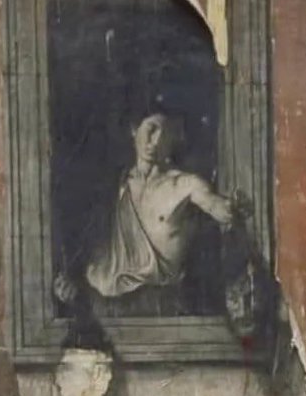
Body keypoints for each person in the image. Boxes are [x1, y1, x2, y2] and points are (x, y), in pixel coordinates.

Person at [83, 112, 243, 303]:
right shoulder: (115, 185)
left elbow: (213, 204)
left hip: (163, 302)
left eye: (165, 134)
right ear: (134, 130)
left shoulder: (185, 184)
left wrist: (229, 208)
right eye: (151, 130)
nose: (157, 140)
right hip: (107, 297)